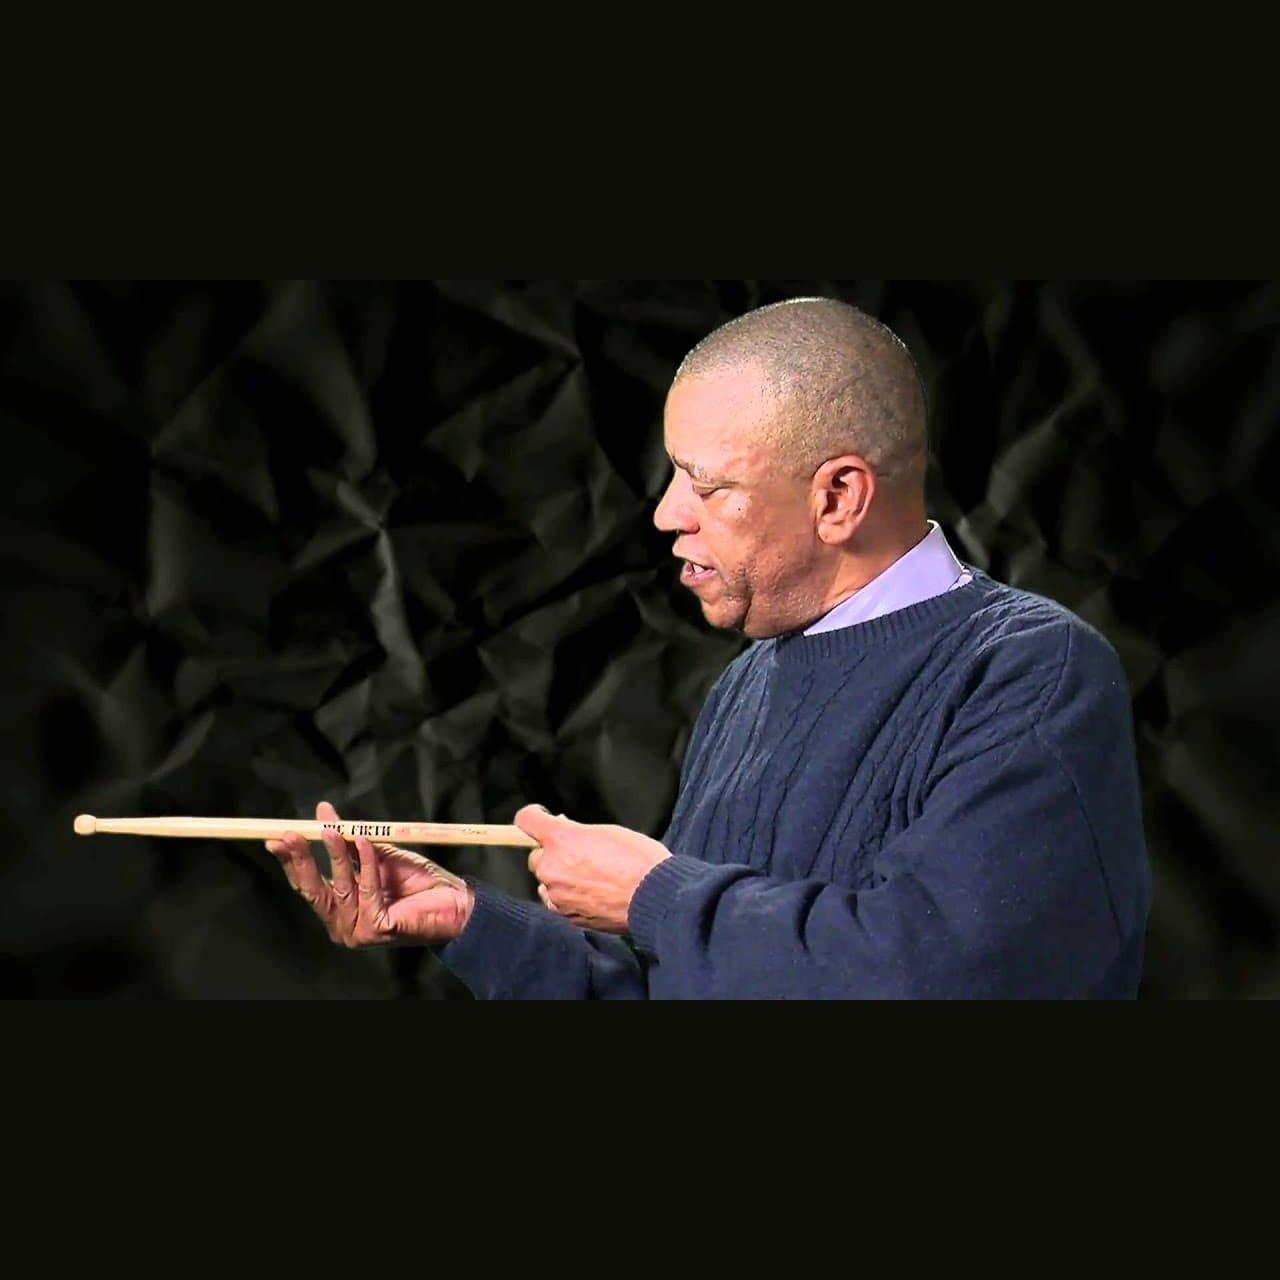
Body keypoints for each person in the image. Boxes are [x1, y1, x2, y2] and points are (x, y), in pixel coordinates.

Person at [265, 296, 1153, 998]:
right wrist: (472, 922)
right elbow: (694, 984)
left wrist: (655, 895)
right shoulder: (748, 686)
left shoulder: (1031, 670)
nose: (665, 514)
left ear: (838, 498)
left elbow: (947, 975)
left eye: (707, 483)